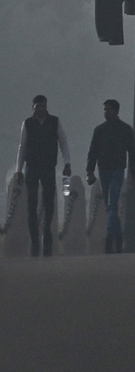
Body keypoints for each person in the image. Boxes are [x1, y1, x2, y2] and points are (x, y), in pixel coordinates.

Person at [17, 95, 73, 258]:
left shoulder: (55, 122)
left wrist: (67, 163)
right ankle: (35, 239)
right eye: (38, 106)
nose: (41, 109)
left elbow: (63, 142)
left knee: (49, 202)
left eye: (43, 106)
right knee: (31, 204)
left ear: (46, 106)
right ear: (33, 107)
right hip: (32, 167)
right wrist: (19, 169)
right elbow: (22, 146)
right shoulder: (27, 123)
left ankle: (47, 232)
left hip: (48, 167)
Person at [86, 98, 135, 254]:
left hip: (117, 170)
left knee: (112, 202)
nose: (106, 112)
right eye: (104, 109)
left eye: (108, 109)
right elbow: (93, 151)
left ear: (116, 111)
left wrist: (133, 174)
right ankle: (118, 235)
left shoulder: (125, 129)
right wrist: (89, 171)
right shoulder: (99, 130)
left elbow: (133, 153)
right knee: (109, 205)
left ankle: (110, 237)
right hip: (103, 170)